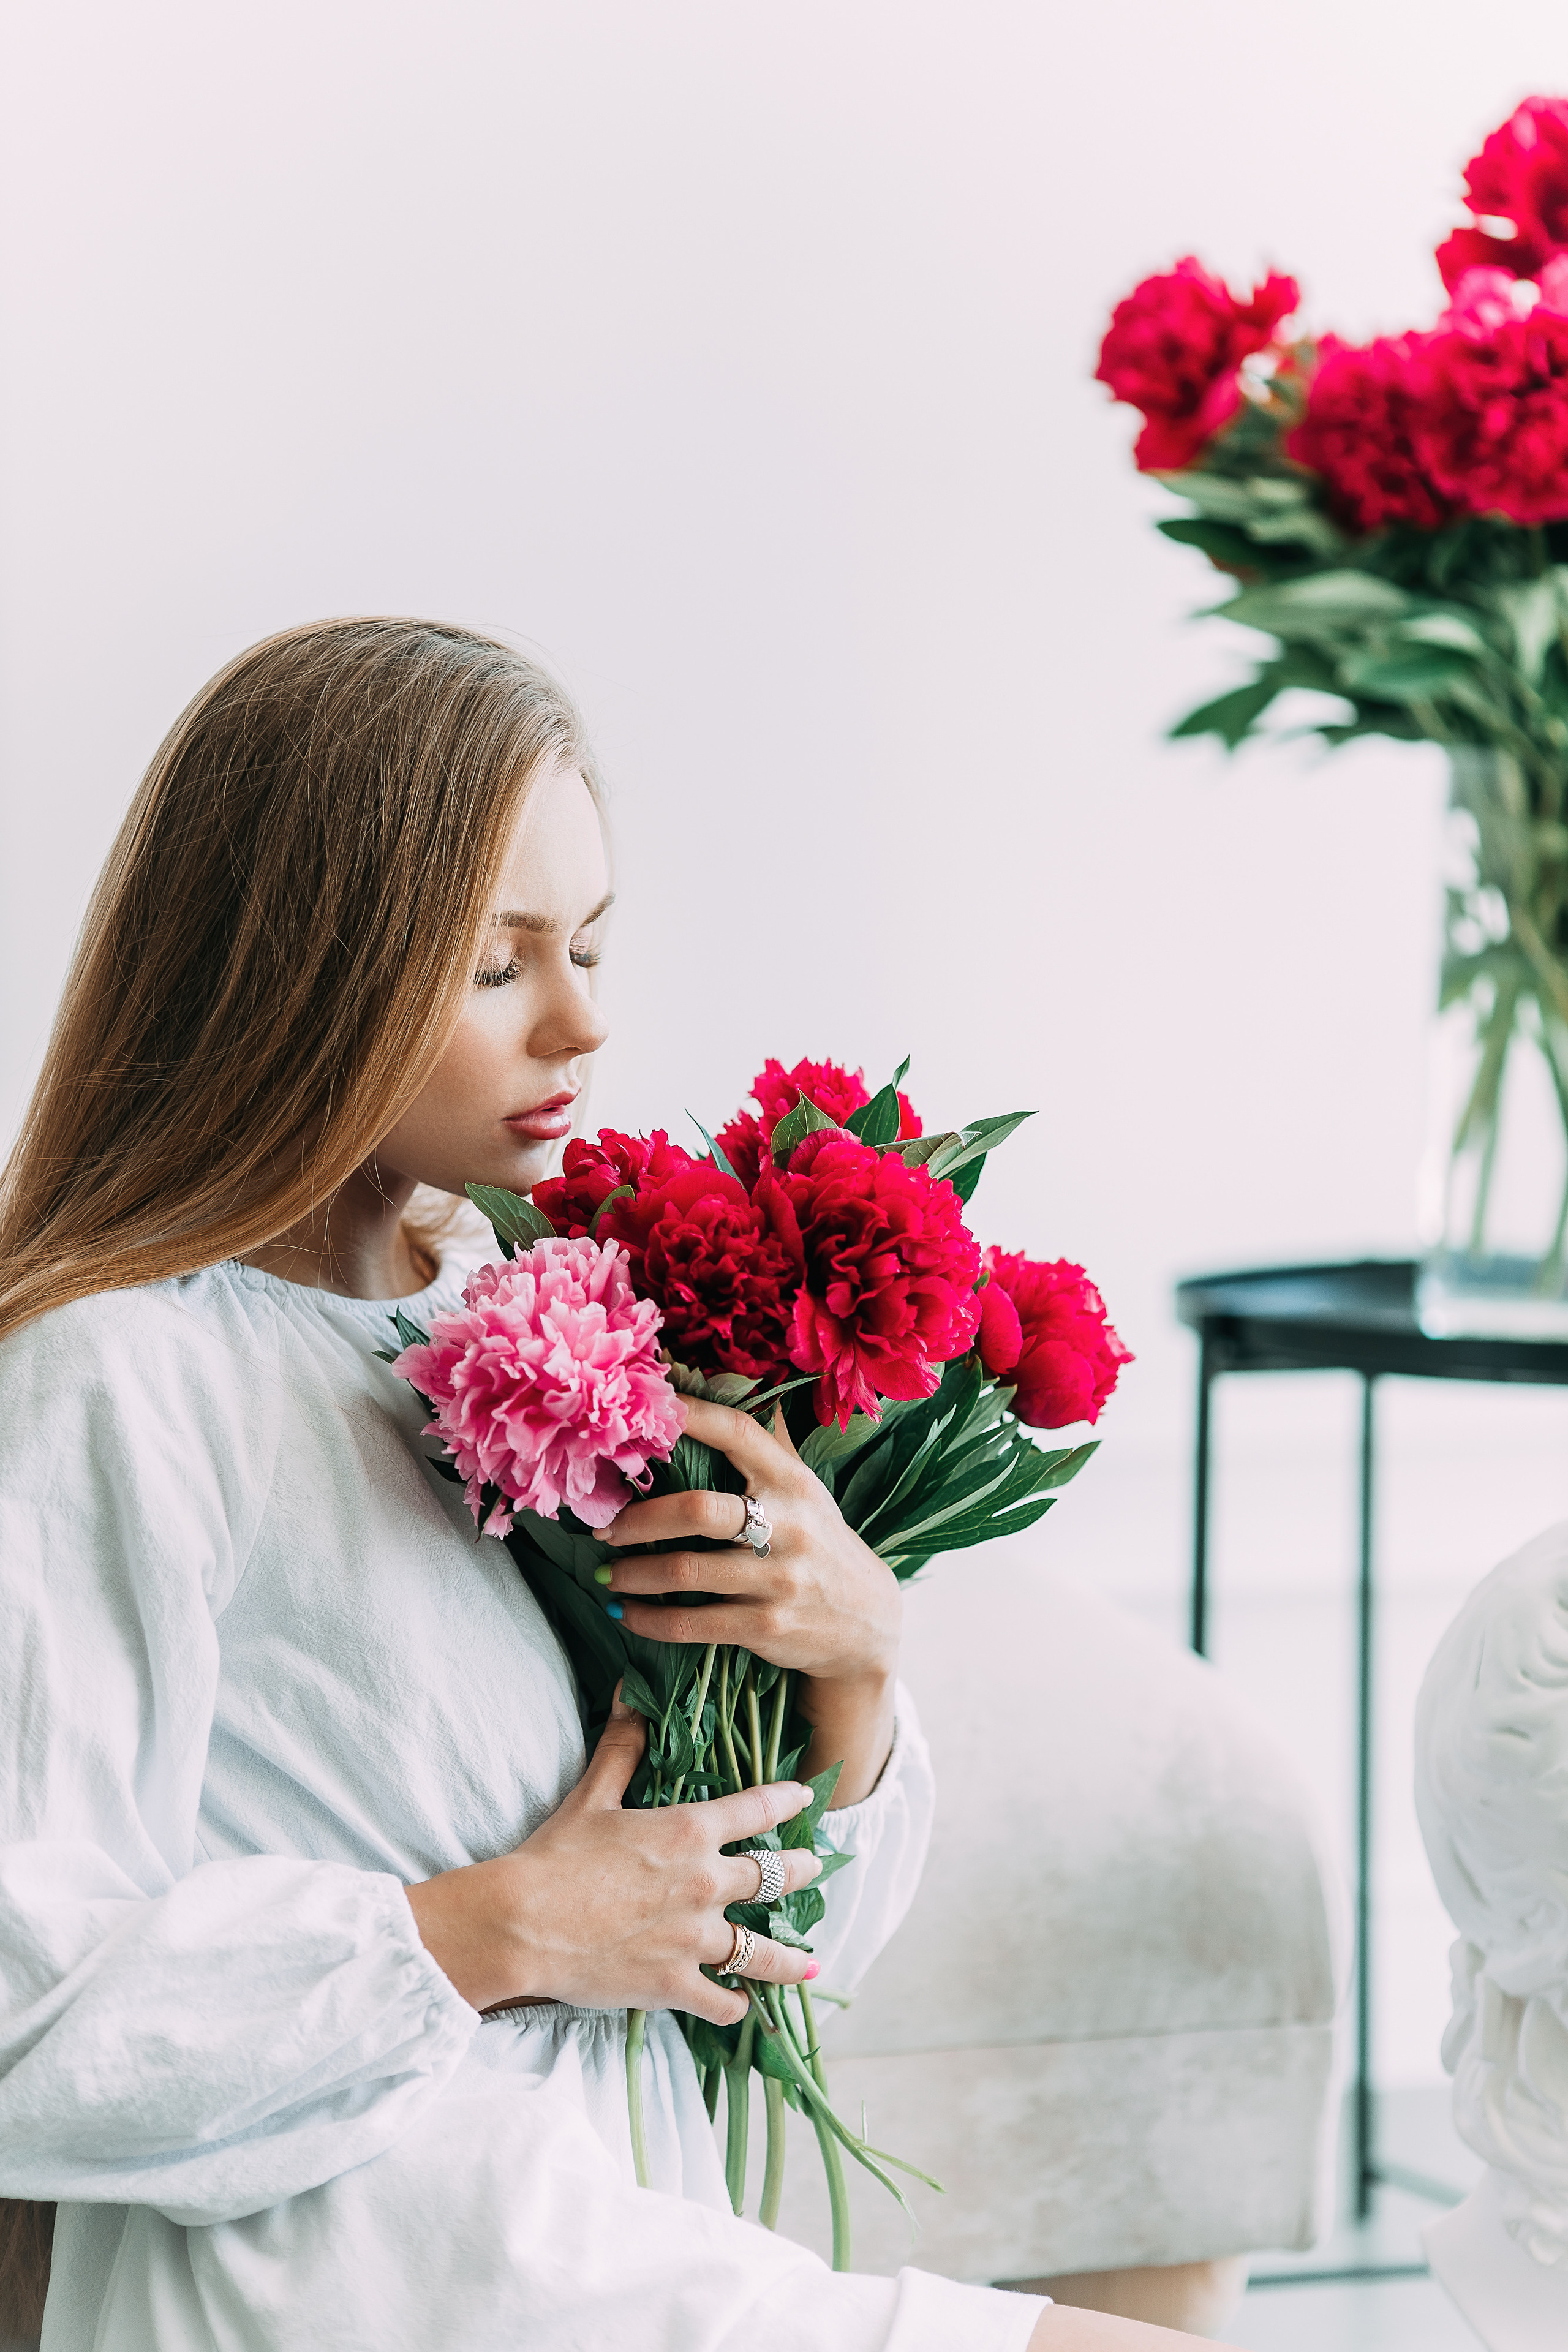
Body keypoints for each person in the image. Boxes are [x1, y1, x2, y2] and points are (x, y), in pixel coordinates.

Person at [0, 618, 1240, 2351]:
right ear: (305, 970)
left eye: (586, 943)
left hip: (612, 2227)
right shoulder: (118, 1376)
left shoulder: (534, 1315)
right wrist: (488, 1930)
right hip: (359, 2272)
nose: (583, 1021)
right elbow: (22, 2022)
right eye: (499, 963)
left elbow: (779, 1968)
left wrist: (851, 1668)